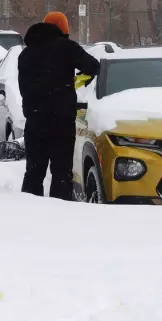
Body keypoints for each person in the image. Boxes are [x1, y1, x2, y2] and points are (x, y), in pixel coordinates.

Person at [18, 11, 100, 200]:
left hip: (34, 121)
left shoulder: (25, 54)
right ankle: (59, 217)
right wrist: (77, 80)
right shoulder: (67, 48)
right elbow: (93, 66)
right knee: (61, 174)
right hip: (61, 122)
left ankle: (28, 213)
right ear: (63, 28)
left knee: (33, 173)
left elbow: (26, 86)